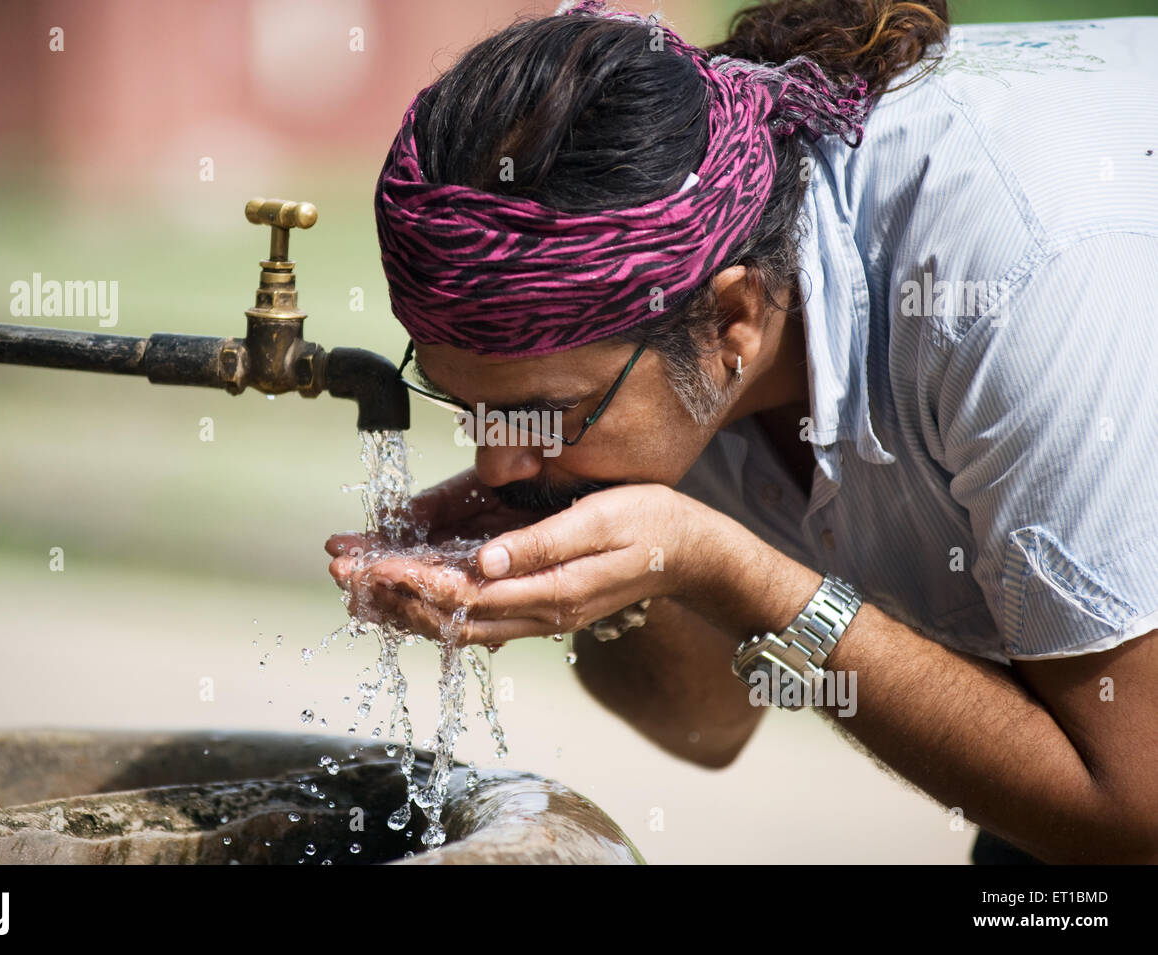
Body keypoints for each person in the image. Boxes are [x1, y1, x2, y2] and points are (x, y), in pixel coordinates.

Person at [326, 0, 1158, 865]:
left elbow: (1135, 814)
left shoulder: (1018, 292)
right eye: (470, 407)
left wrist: (726, 568)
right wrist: (620, 572)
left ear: (733, 321)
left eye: (552, 413)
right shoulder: (690, 300)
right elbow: (704, 727)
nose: (497, 464)